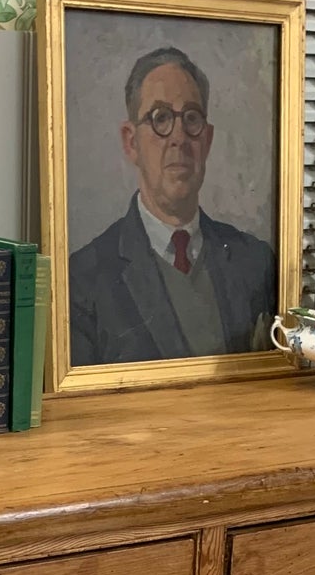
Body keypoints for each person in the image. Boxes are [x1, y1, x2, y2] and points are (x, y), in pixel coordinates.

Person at [68, 44, 277, 367]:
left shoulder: (255, 261)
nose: (178, 136)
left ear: (206, 140)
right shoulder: (84, 279)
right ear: (131, 141)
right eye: (160, 117)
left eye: (191, 118)